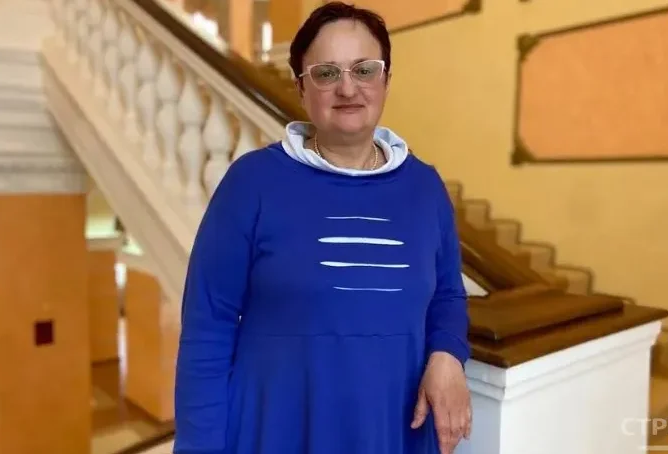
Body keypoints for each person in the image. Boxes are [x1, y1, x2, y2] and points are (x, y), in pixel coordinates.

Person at [173, 2, 472, 453]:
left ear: (386, 80)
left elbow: (448, 294)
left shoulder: (425, 187)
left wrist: (447, 354)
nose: (348, 87)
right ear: (301, 87)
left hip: (392, 431)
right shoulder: (252, 183)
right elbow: (207, 326)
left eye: (364, 70)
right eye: (326, 73)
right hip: (276, 431)